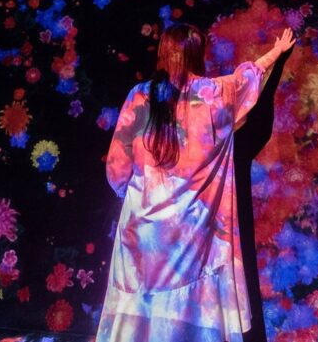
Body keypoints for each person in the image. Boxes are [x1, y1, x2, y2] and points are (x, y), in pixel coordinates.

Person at [96, 23, 296, 342]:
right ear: (196, 55)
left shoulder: (139, 97)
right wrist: (275, 53)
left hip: (142, 232)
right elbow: (245, 82)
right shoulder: (213, 95)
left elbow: (117, 167)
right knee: (188, 319)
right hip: (192, 232)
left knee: (140, 321)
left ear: (163, 53)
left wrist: (136, 198)